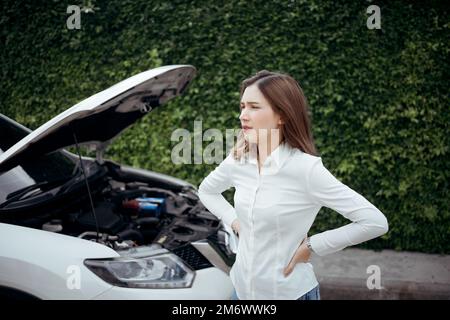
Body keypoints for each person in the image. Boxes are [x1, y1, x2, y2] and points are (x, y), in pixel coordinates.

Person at [198, 70, 389, 300]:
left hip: (289, 294)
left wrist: (312, 245)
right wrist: (234, 221)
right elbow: (207, 191)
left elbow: (375, 222)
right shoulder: (239, 160)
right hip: (241, 292)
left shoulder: (305, 169)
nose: (243, 115)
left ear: (282, 115)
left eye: (254, 107)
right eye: (242, 106)